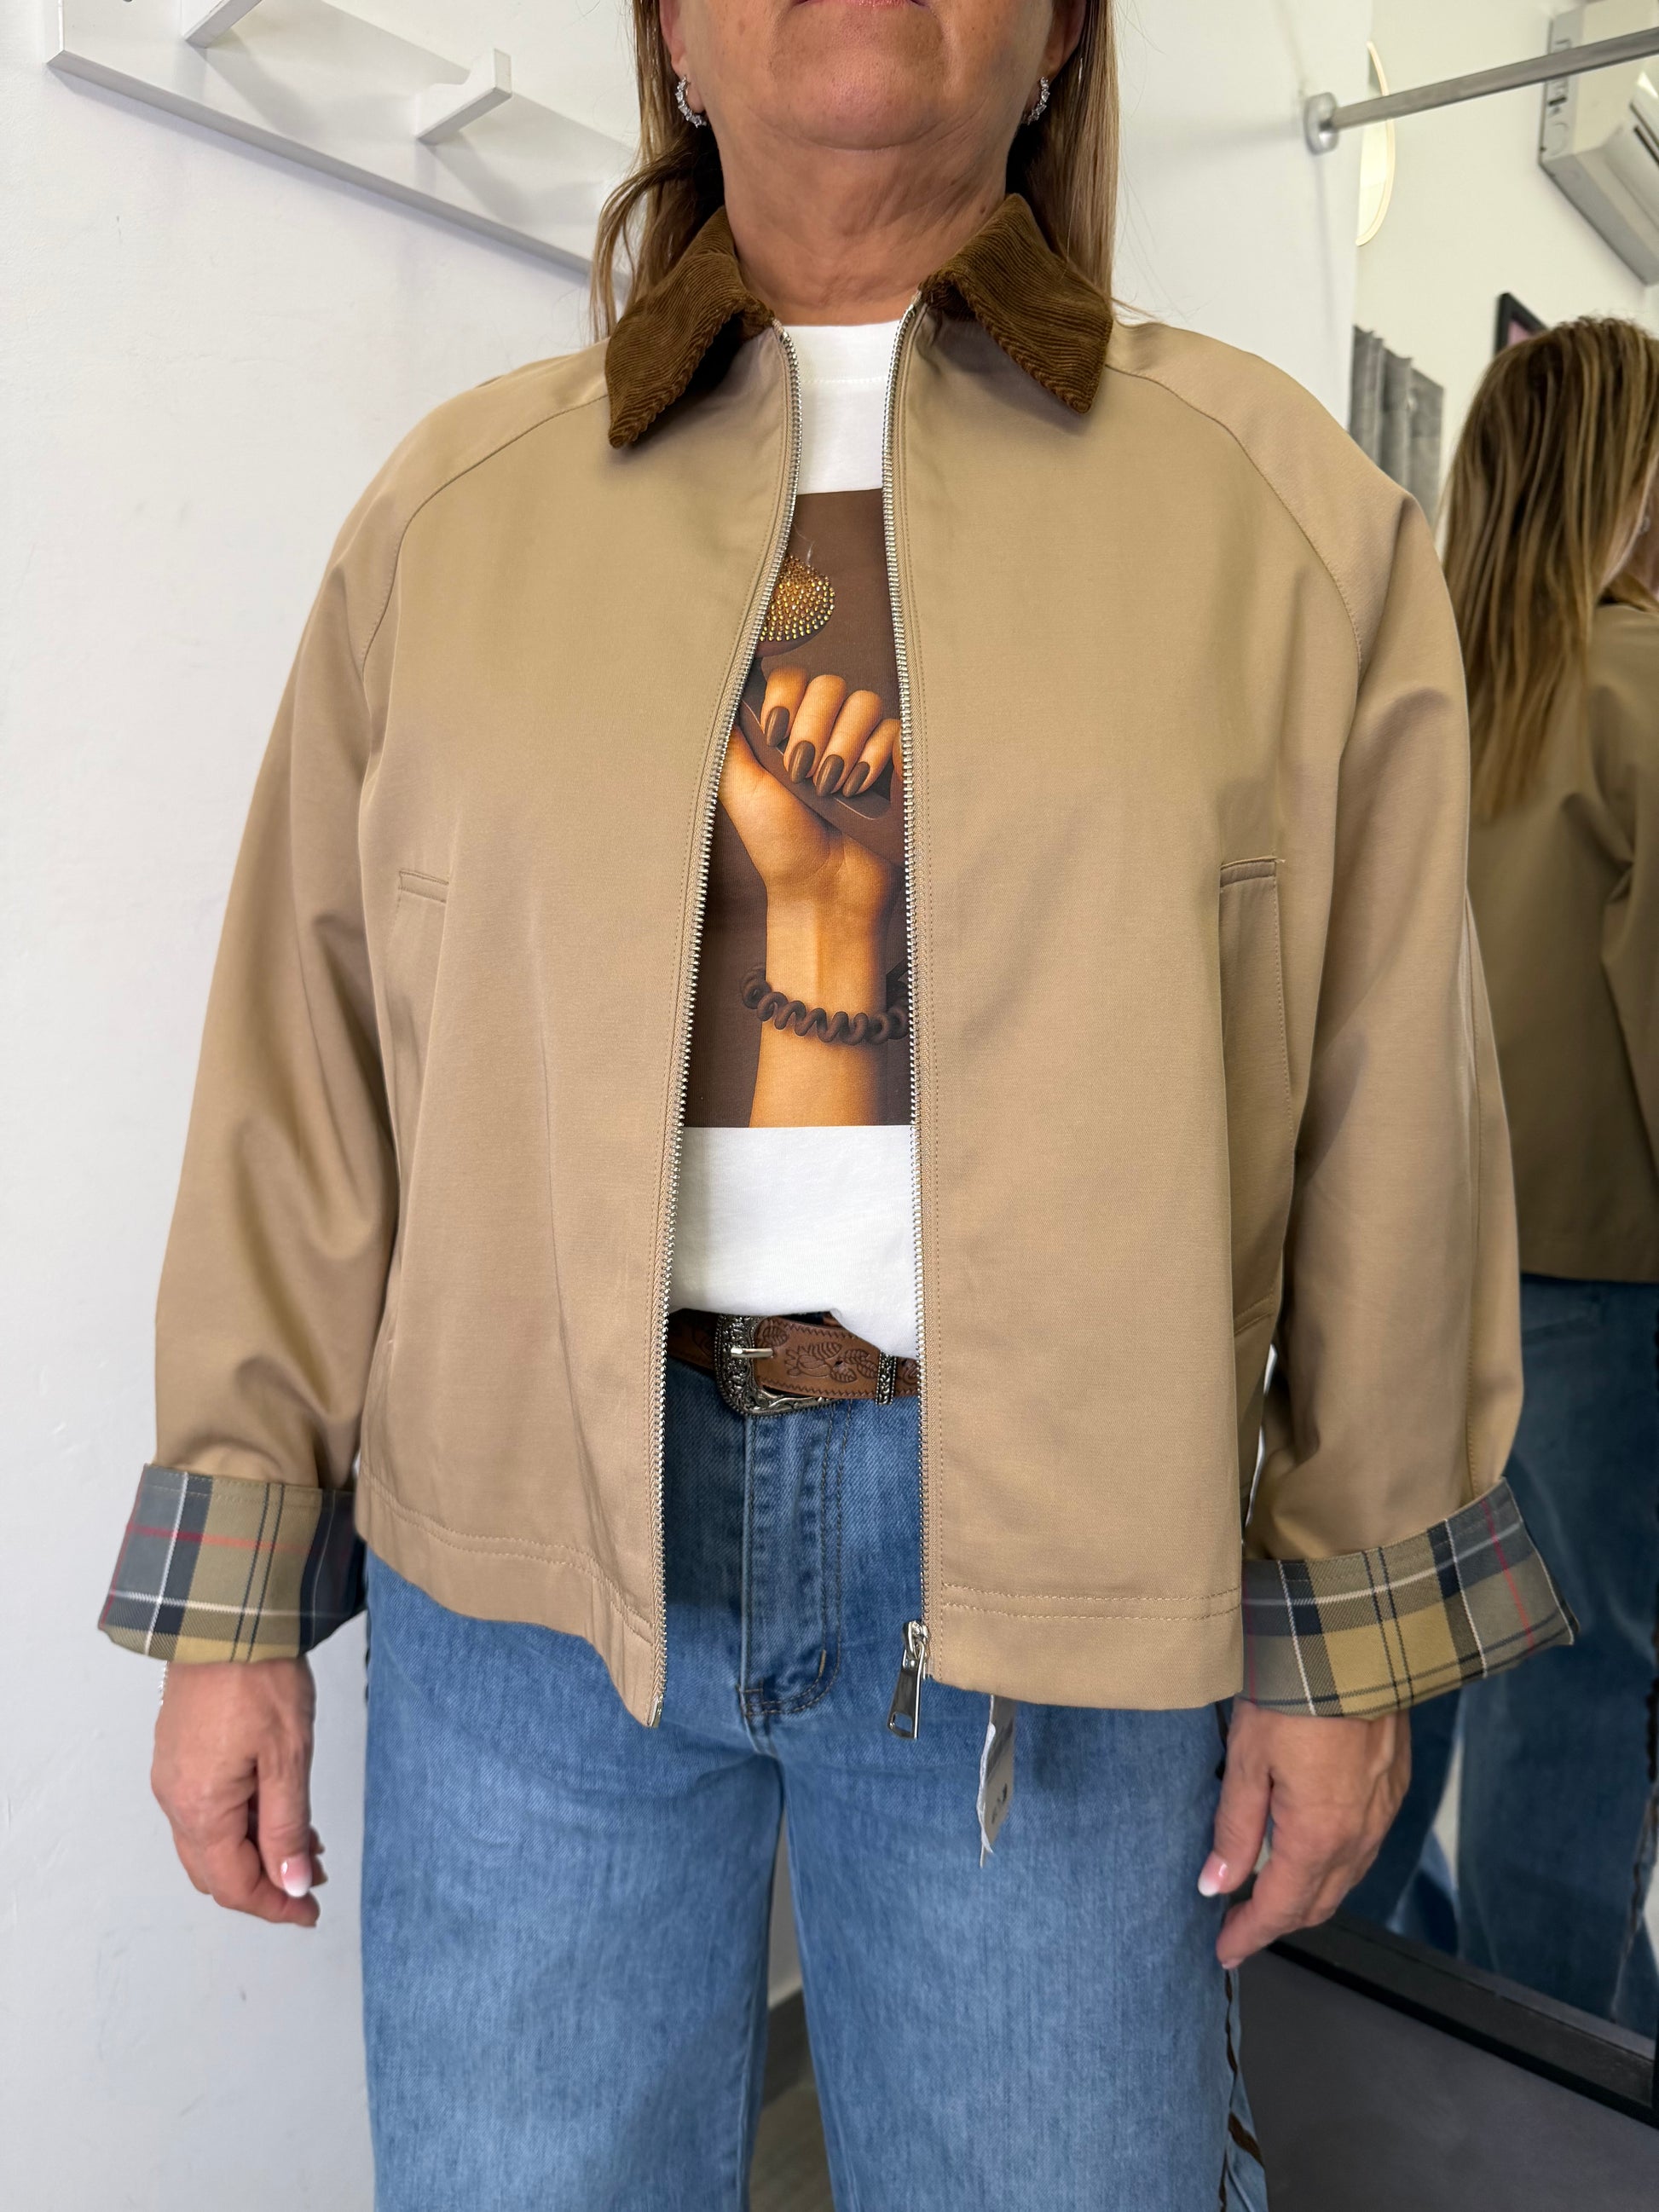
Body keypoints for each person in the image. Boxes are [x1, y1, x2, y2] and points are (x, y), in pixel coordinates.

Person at [98, 1, 1570, 2202]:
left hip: (1063, 1585)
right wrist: (232, 1590)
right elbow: (302, 1067)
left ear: (1057, 42)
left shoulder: (1279, 520)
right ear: (672, 40)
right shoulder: (450, 520)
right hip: (524, 1567)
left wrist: (1344, 1633)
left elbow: (1395, 1113)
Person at [1432, 320, 1659, 2029]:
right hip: (1593, 1284)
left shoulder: (1405, 693)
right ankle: (1549, 2100)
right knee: (1565, 1692)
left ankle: (1358, 2060)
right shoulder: (1640, 690)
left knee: (1387, 1672)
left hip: (1399, 1275)